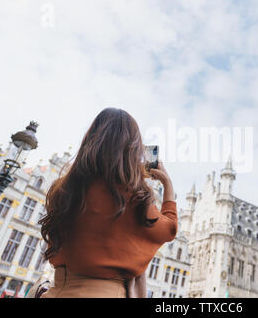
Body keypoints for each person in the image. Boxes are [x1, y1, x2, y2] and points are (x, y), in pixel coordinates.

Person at [38, 107, 177, 298]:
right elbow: (169, 229)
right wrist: (167, 184)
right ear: (132, 149)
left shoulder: (63, 189)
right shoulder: (133, 196)